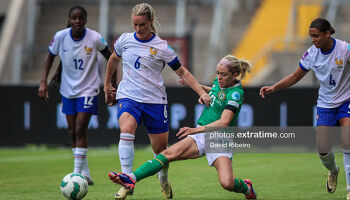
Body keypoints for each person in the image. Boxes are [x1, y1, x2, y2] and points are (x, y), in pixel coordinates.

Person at [107, 55, 257, 199]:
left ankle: (246, 187)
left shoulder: (236, 94)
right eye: (217, 73)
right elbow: (214, 92)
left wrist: (195, 130)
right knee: (166, 154)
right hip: (200, 135)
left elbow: (224, 122)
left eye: (223, 74)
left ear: (235, 74)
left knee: (227, 183)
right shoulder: (220, 82)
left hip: (219, 140)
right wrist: (198, 88)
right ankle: (131, 178)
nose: (219, 77)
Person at [104, 2, 211, 199]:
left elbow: (182, 71)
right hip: (129, 96)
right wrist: (107, 85)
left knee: (161, 150)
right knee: (126, 129)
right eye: (134, 25)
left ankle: (163, 181)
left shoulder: (162, 47)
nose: (138, 29)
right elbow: (112, 60)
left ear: (150, 21)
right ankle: (127, 181)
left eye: (142, 25)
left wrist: (201, 92)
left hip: (155, 101)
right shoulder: (124, 40)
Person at [260, 18, 350, 199]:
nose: (313, 40)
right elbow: (295, 76)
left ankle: (349, 189)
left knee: (348, 141)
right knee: (323, 150)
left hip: (346, 100)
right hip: (325, 104)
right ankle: (333, 170)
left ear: (327, 34)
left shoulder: (344, 49)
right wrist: (274, 88)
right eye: (311, 36)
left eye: (316, 36)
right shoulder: (311, 54)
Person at [38, 5, 112, 185]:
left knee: (80, 129)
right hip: (68, 90)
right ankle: (85, 172)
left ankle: (76, 174)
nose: (77, 21)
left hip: (89, 89)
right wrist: (43, 81)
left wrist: (111, 84)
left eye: (81, 18)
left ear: (86, 19)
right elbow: (50, 57)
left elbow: (111, 57)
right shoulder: (60, 37)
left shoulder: (94, 37)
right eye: (74, 18)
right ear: (70, 20)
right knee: (72, 132)